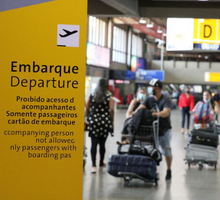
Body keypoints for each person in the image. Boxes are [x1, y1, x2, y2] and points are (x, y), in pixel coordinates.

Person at [134, 79, 173, 180]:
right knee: (151, 151)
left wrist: (157, 114)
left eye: (151, 87)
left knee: (166, 151)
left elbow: (166, 112)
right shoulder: (149, 99)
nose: (150, 89)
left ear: (156, 88)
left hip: (164, 130)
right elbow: (141, 108)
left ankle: (168, 169)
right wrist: (136, 112)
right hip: (152, 130)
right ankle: (151, 170)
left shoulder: (166, 100)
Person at [86, 79, 114, 174]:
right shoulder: (108, 96)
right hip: (104, 122)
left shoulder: (92, 95)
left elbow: (87, 106)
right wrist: (112, 121)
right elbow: (111, 110)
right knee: (102, 144)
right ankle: (101, 162)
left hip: (94, 121)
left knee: (94, 143)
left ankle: (93, 165)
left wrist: (88, 116)